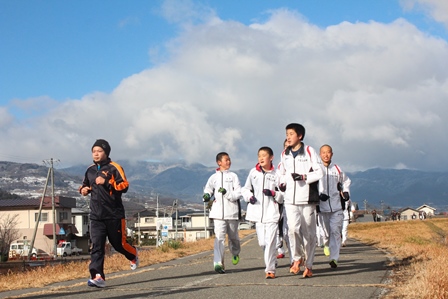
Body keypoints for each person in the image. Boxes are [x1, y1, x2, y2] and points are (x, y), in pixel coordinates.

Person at [79, 139, 138, 288]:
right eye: (94, 151)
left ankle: (133, 255)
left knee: (118, 245)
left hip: (114, 214)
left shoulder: (114, 168)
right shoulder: (90, 170)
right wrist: (83, 190)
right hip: (96, 216)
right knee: (97, 246)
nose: (96, 154)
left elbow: (124, 186)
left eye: (99, 151)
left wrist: (107, 182)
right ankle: (98, 276)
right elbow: (85, 185)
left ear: (106, 153)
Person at [278, 123, 323, 278]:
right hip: (290, 199)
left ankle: (309, 266)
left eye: (291, 134)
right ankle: (297, 258)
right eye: (287, 134)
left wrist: (304, 177)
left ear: (300, 136)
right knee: (292, 229)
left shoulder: (309, 151)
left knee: (309, 234)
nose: (288, 137)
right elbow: (282, 173)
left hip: (307, 198)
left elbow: (319, 172)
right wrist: (281, 183)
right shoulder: (285, 154)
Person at [242, 147, 284, 279]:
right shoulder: (253, 173)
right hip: (257, 213)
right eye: (259, 155)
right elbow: (245, 189)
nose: (261, 158)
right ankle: (272, 260)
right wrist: (249, 197)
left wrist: (273, 193)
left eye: (264, 155)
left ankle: (270, 269)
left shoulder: (276, 175)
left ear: (271, 157)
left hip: (272, 213)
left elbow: (283, 195)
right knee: (262, 243)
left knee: (271, 242)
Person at [203, 152, 242, 274]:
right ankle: (218, 263)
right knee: (219, 238)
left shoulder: (234, 176)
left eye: (229, 160)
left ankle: (235, 252)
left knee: (233, 237)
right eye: (226, 160)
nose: (229, 162)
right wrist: (206, 195)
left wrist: (227, 194)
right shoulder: (213, 177)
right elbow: (208, 189)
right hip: (218, 213)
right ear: (219, 162)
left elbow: (238, 193)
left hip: (232, 212)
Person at [318, 144, 351, 268]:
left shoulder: (337, 169)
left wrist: (346, 191)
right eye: (323, 152)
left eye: (328, 152)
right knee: (326, 234)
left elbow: (346, 181)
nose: (326, 155)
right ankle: (326, 244)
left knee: (336, 231)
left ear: (332, 154)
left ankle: (334, 258)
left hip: (336, 206)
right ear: (320, 154)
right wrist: (318, 195)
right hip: (322, 207)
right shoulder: (316, 169)